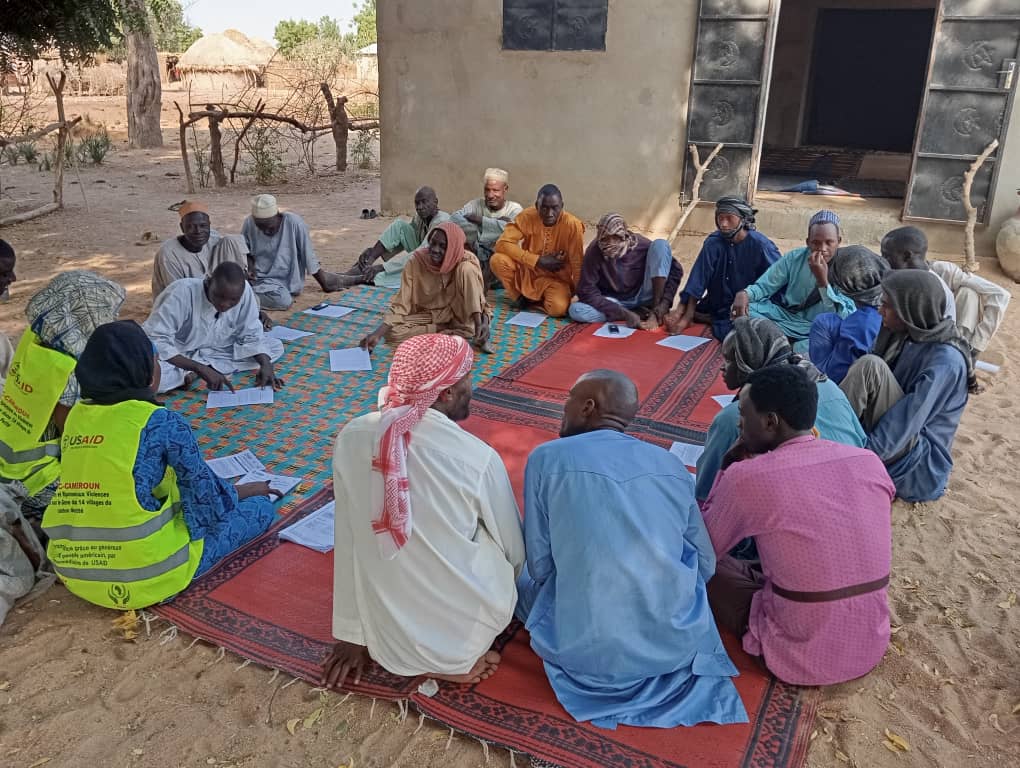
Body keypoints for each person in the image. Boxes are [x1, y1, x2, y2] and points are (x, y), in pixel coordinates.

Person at [515, 370, 746, 729]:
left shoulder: (547, 458)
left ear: (588, 406)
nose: (564, 408)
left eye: (568, 400)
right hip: (672, 644)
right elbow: (705, 563)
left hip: (586, 649)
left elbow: (541, 567)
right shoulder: (670, 465)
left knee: (514, 569)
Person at [322, 334, 524, 688]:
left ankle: (433, 655)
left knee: (363, 530)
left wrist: (352, 633)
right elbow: (514, 550)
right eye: (467, 379)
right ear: (446, 393)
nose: (471, 388)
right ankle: (452, 659)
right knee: (499, 539)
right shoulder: (475, 458)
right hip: (467, 639)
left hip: (390, 645)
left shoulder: (352, 437)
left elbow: (349, 535)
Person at [42, 320, 280, 610]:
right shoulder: (161, 422)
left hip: (74, 571)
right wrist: (245, 491)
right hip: (145, 577)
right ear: (142, 369)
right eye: (155, 360)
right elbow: (206, 503)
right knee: (260, 511)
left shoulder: (77, 415)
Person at [702, 364, 895, 686]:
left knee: (699, 565)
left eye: (743, 415)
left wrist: (727, 466)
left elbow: (704, 549)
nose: (738, 423)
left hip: (797, 655)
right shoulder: (868, 461)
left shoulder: (748, 476)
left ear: (770, 422)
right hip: (869, 642)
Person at [0, 271, 125, 626]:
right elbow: (80, 435)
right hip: (34, 480)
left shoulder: (37, 343)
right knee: (115, 497)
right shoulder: (67, 369)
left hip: (9, 460)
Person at [696, 316, 865, 501]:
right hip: (857, 495)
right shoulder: (828, 385)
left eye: (729, 360)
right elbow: (860, 439)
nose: (722, 368)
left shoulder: (735, 417)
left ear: (749, 362)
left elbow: (704, 492)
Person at [839, 270, 971, 502]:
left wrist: (853, 464)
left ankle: (829, 444)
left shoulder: (945, 362)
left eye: (887, 305)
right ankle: (829, 437)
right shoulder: (907, 336)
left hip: (917, 467)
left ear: (910, 310)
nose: (880, 310)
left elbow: (905, 424)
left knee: (870, 367)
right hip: (895, 442)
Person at [143, 262, 284, 394]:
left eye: (233, 300)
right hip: (179, 353)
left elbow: (251, 333)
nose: (225, 304)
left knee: (275, 347)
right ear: (209, 282)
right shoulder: (181, 292)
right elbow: (156, 340)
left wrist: (266, 365)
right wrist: (198, 367)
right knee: (150, 380)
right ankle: (195, 370)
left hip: (217, 350)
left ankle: (197, 371)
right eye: (219, 296)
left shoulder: (244, 291)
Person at [731, 210, 856, 351]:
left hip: (820, 328)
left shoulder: (846, 267)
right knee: (746, 308)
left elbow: (843, 315)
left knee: (819, 344)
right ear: (808, 242)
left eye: (829, 242)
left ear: (838, 241)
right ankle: (781, 343)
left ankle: (781, 344)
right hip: (789, 319)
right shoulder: (794, 258)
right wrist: (744, 294)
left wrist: (822, 281)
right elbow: (765, 287)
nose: (822, 249)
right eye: (816, 243)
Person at [359, 223, 492, 354]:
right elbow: (401, 304)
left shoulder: (466, 261)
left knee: (467, 269)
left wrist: (482, 324)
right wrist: (377, 334)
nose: (434, 249)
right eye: (432, 243)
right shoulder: (416, 262)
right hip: (432, 316)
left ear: (453, 248)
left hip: (462, 315)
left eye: (442, 246)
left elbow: (479, 301)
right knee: (392, 334)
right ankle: (444, 329)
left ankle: (476, 329)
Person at [881, 226, 1010, 361]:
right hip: (926, 343)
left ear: (907, 256)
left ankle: (966, 350)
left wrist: (977, 344)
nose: (883, 261)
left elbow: (1001, 295)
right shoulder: (896, 278)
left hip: (933, 347)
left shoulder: (941, 276)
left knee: (968, 293)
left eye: (887, 256)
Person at [665, 197, 780, 341]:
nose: (724, 224)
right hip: (718, 302)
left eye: (729, 218)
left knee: (744, 331)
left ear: (743, 220)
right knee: (716, 317)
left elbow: (779, 279)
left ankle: (711, 319)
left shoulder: (761, 245)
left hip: (749, 304)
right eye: (720, 218)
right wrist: (686, 315)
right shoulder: (713, 242)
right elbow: (699, 277)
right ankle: (700, 315)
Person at [569, 213, 683, 329]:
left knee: (661, 245)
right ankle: (635, 313)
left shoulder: (640, 244)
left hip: (644, 295)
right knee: (576, 311)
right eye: (605, 238)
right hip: (616, 302)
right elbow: (586, 290)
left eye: (615, 237)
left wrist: (664, 303)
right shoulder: (595, 251)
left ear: (623, 235)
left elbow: (676, 270)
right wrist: (623, 313)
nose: (610, 243)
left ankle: (654, 311)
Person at [491, 184, 585, 317]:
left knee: (558, 309)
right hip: (528, 273)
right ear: (537, 205)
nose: (549, 214)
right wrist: (537, 260)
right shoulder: (527, 216)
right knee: (497, 260)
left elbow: (577, 264)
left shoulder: (573, 225)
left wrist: (578, 294)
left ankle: (535, 301)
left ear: (562, 206)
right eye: (544, 208)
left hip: (556, 280)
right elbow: (502, 244)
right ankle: (519, 298)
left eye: (554, 208)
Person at [240, 194, 344, 310]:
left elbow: (309, 257)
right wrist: (250, 266)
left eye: (269, 227)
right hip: (258, 280)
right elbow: (245, 250)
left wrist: (325, 284)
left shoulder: (294, 223)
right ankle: (243, 297)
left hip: (285, 283)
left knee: (283, 300)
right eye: (260, 227)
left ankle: (242, 298)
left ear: (278, 217)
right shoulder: (249, 222)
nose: (265, 231)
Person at [343, 186, 450, 289]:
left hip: (437, 265)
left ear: (435, 202)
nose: (420, 207)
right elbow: (403, 236)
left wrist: (382, 267)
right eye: (417, 203)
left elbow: (421, 253)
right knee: (399, 226)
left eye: (424, 202)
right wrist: (374, 251)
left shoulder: (441, 221)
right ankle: (366, 264)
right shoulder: (421, 217)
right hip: (423, 256)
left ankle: (358, 279)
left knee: (401, 273)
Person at [808, 246, 888, 383]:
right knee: (827, 320)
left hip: (848, 386)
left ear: (845, 284)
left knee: (822, 322)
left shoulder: (861, 322)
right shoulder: (887, 299)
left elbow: (835, 374)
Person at [151, 201, 248, 298]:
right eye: (190, 227)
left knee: (231, 240)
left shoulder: (212, 237)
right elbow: (178, 293)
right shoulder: (168, 254)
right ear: (182, 228)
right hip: (182, 303)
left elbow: (233, 246)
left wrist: (249, 263)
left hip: (212, 295)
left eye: (203, 226)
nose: (198, 231)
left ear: (209, 225)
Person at [450, 168, 523, 286]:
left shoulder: (515, 209)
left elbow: (512, 230)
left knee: (507, 244)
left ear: (505, 189)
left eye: (495, 190)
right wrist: (491, 226)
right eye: (487, 190)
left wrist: (480, 220)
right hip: (476, 261)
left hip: (500, 272)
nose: (490, 195)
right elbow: (454, 218)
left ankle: (482, 284)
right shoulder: (475, 204)